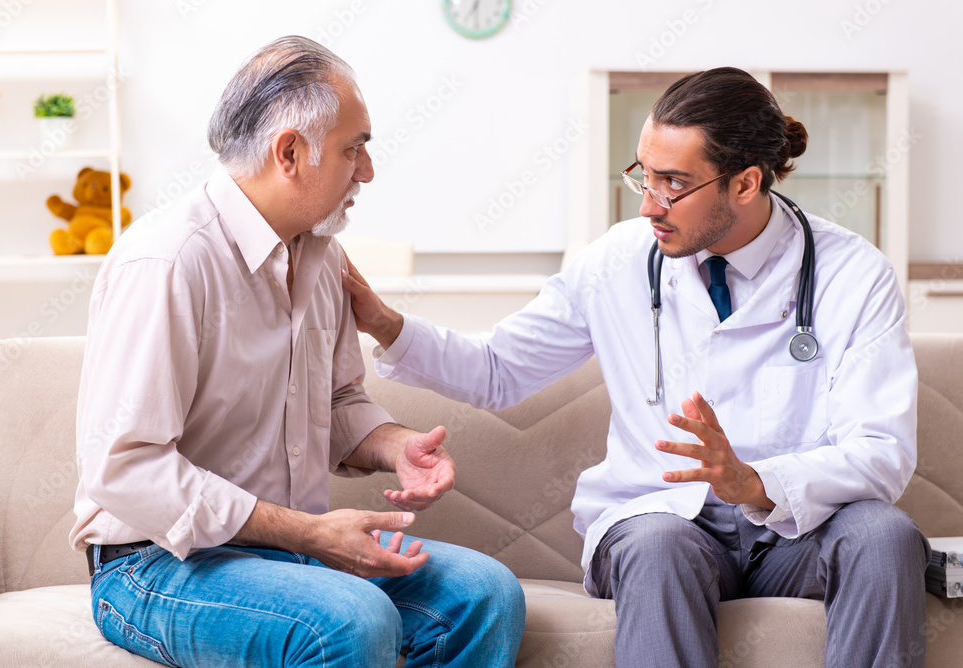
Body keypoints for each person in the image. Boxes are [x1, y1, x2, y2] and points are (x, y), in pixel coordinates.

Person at [343, 67, 930, 667]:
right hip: (661, 521)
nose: (649, 204)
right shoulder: (619, 260)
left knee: (884, 536)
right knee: (660, 544)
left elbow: (881, 449)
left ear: (747, 183)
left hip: (795, 533)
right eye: (642, 176)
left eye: (673, 183)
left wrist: (754, 483)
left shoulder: (853, 275)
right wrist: (387, 324)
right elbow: (498, 369)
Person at [69, 36, 525, 668]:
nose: (366, 170)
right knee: (351, 621)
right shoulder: (168, 262)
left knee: (486, 594)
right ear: (290, 152)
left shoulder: (322, 255)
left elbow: (336, 402)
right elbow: (125, 469)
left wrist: (396, 446)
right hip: (155, 563)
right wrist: (311, 533)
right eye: (353, 147)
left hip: (281, 552)